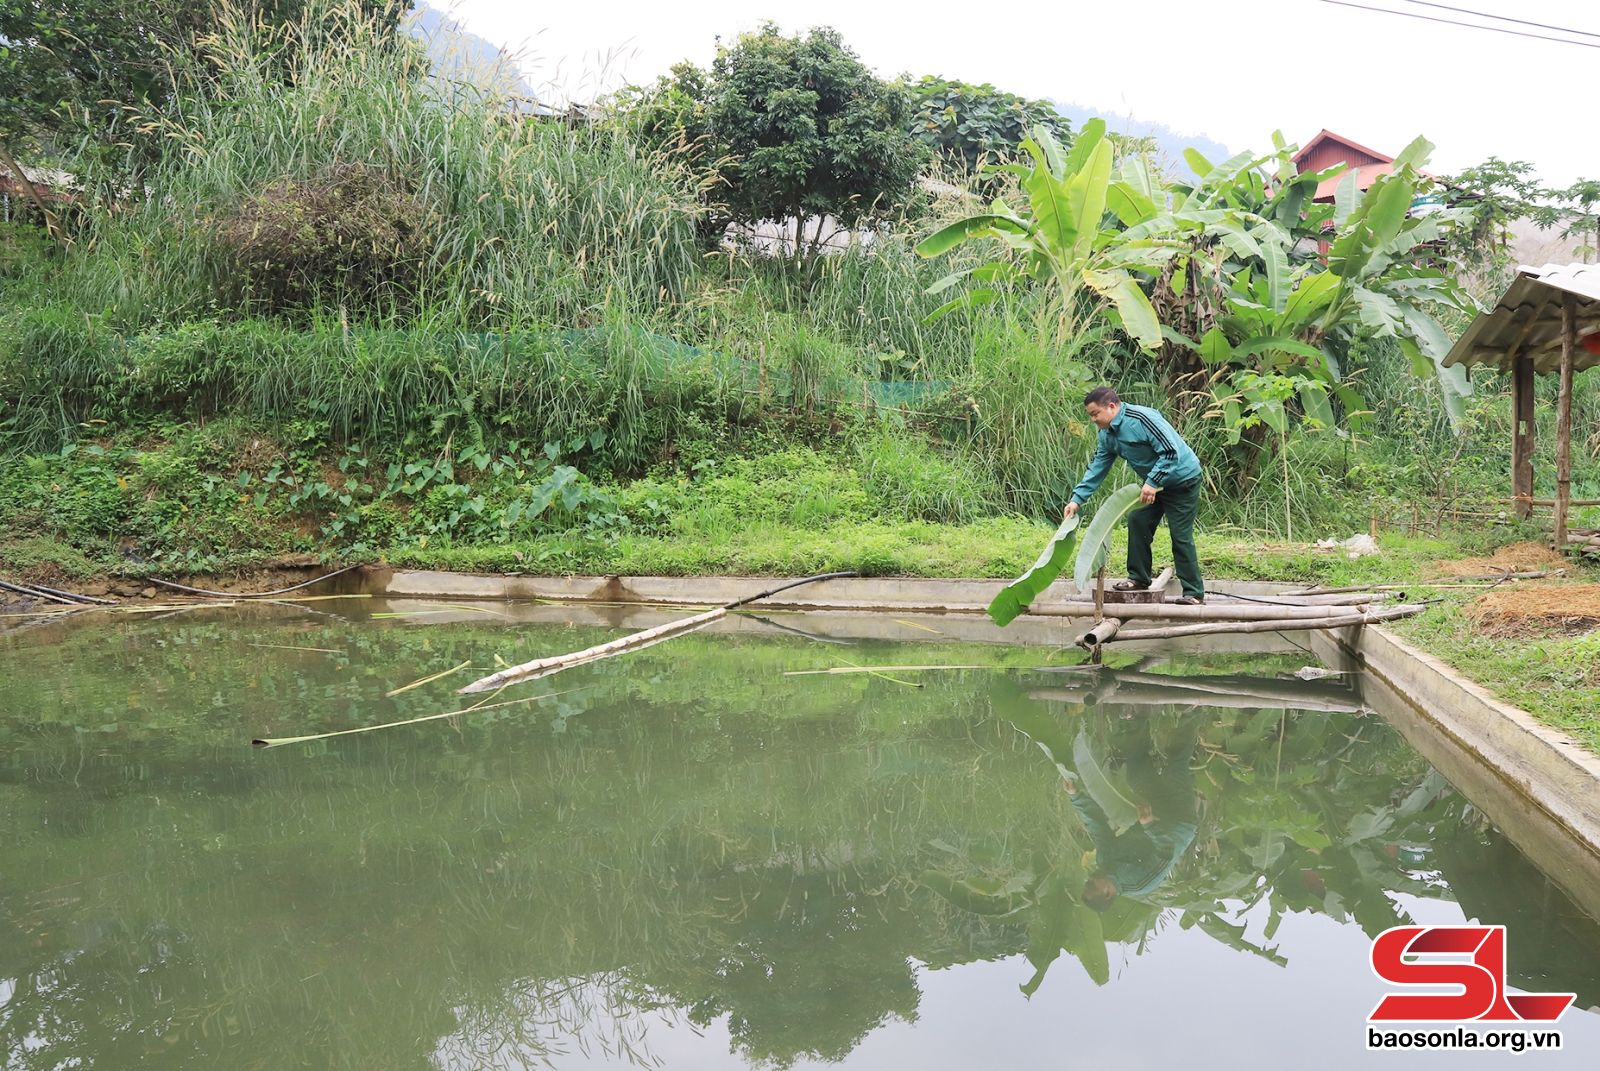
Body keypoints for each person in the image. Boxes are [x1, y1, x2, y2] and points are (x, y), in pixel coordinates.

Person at [1062, 386, 1205, 604]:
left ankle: (1194, 593)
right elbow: (1098, 467)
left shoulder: (1141, 419)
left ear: (1111, 407)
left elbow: (1170, 452)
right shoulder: (1107, 434)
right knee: (1138, 520)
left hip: (1182, 480)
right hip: (1155, 486)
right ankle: (1138, 579)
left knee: (1180, 534)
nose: (1093, 420)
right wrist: (1077, 499)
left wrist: (1152, 481)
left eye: (1095, 414)